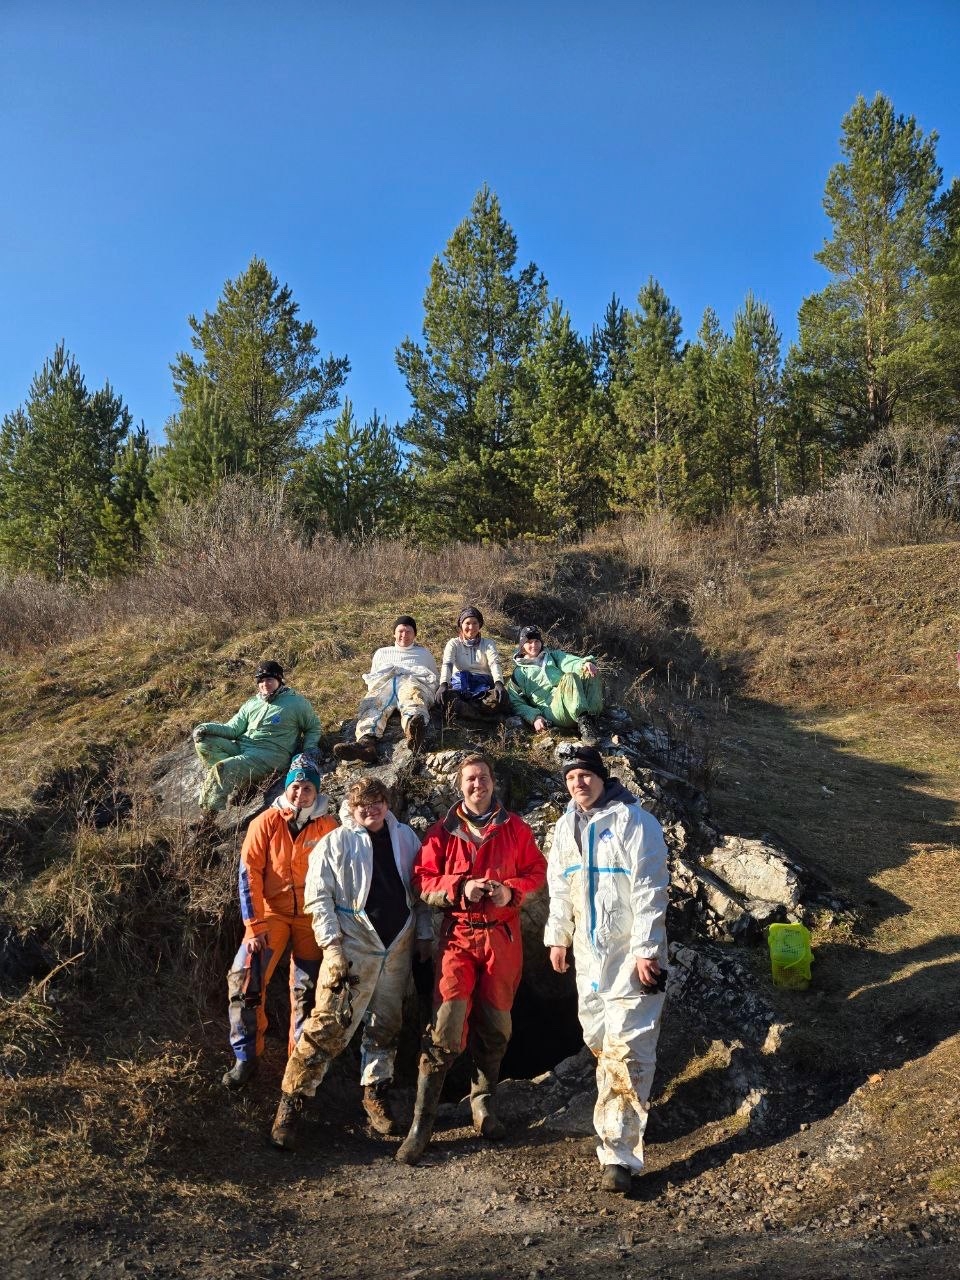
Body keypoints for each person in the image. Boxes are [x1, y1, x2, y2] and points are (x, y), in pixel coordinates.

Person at [396, 752, 546, 1165]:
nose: (476, 784)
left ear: (493, 782)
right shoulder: (442, 832)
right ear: (459, 787)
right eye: (469, 779)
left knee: (496, 1026)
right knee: (445, 1028)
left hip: (503, 938)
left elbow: (537, 871)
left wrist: (508, 890)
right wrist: (461, 888)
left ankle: (483, 1105)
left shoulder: (515, 828)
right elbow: (422, 879)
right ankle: (421, 1125)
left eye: (482, 777)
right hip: (458, 938)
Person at [270, 777, 432, 1150]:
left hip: (397, 946)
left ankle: (375, 1094)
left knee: (387, 1024)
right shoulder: (336, 842)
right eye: (362, 805)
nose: (370, 811)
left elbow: (419, 891)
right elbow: (318, 897)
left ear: (386, 803)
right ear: (351, 807)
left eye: (376, 803)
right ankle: (291, 1104)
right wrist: (332, 947)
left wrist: (423, 934)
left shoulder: (406, 837)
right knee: (327, 1025)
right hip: (352, 945)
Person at [544, 745, 669, 1196]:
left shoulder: (636, 823)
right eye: (571, 776)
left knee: (628, 1048)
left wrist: (647, 949)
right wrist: (557, 936)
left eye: (586, 774)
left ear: (602, 777)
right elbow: (560, 886)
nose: (579, 783)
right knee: (600, 1041)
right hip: (589, 959)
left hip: (631, 956)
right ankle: (616, 1119)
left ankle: (618, 1154)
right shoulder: (564, 828)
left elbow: (651, 889)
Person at [222, 757, 338, 1089]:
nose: (301, 793)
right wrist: (254, 925)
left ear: (317, 791)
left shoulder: (329, 826)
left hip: (312, 918)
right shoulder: (266, 822)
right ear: (287, 788)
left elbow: (340, 875)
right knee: (244, 980)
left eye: (308, 788)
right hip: (270, 915)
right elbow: (249, 874)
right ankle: (245, 1057)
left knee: (308, 993)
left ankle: (298, 1068)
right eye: (296, 787)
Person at [193, 660, 323, 813]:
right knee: (204, 742)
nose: (265, 684)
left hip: (270, 755)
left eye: (269, 679)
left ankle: (207, 819)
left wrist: (309, 748)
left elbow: (313, 727)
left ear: (279, 680)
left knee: (223, 768)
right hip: (244, 748)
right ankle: (245, 784)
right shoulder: (252, 703)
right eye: (261, 680)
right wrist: (204, 728)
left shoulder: (296, 703)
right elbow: (232, 729)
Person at [333, 616, 439, 765]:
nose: (404, 635)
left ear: (415, 634)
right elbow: (374, 679)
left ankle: (414, 732)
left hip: (412, 682)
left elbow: (434, 679)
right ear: (394, 634)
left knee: (413, 697)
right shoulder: (382, 653)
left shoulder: (424, 654)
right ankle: (365, 744)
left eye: (409, 631)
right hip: (386, 684)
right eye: (400, 631)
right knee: (373, 703)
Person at [508, 625, 604, 745]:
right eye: (529, 642)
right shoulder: (518, 674)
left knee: (589, 670)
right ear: (522, 646)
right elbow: (516, 703)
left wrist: (584, 664)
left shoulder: (552, 656)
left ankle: (592, 717)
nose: (534, 645)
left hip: (574, 701)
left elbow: (569, 661)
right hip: (554, 711)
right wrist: (534, 717)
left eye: (537, 641)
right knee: (569, 677)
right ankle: (586, 727)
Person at [436, 606, 509, 723]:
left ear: (480, 625)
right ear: (461, 625)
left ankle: (467, 711)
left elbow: (494, 663)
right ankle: (485, 717)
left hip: (484, 686)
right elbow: (447, 664)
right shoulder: (453, 643)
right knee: (447, 699)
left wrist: (499, 683)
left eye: (475, 623)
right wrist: (443, 684)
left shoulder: (488, 643)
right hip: (460, 685)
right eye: (467, 623)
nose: (471, 627)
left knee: (499, 699)